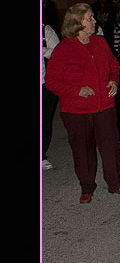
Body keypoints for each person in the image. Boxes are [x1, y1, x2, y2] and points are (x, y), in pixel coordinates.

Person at [45, 3, 120, 203]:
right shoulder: (63, 48)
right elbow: (51, 81)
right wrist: (76, 91)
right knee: (82, 149)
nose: (94, 21)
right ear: (77, 23)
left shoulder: (99, 42)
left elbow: (113, 64)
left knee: (111, 146)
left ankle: (115, 183)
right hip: (76, 110)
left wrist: (113, 80)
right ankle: (87, 186)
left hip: (105, 106)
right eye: (89, 18)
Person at [42, 23, 60, 170]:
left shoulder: (45, 30)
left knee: (44, 120)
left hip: (45, 84)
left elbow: (58, 53)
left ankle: (42, 155)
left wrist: (43, 50)